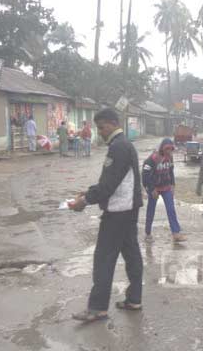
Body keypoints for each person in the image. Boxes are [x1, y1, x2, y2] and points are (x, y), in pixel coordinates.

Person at [69, 108, 144, 322]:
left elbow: (109, 185)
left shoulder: (118, 147)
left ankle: (98, 308)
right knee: (131, 255)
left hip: (118, 211)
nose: (99, 132)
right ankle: (134, 299)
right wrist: (90, 191)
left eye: (101, 127)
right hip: (128, 209)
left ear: (112, 123)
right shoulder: (124, 144)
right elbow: (113, 180)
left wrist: (84, 201)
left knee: (103, 257)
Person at [143, 138, 187, 243]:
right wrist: (151, 189)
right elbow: (145, 175)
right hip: (154, 188)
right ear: (162, 148)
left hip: (166, 187)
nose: (169, 151)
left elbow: (171, 172)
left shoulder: (170, 158)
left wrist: (173, 185)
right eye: (167, 149)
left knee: (171, 209)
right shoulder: (153, 159)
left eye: (171, 149)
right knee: (151, 210)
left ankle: (176, 233)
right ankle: (148, 232)